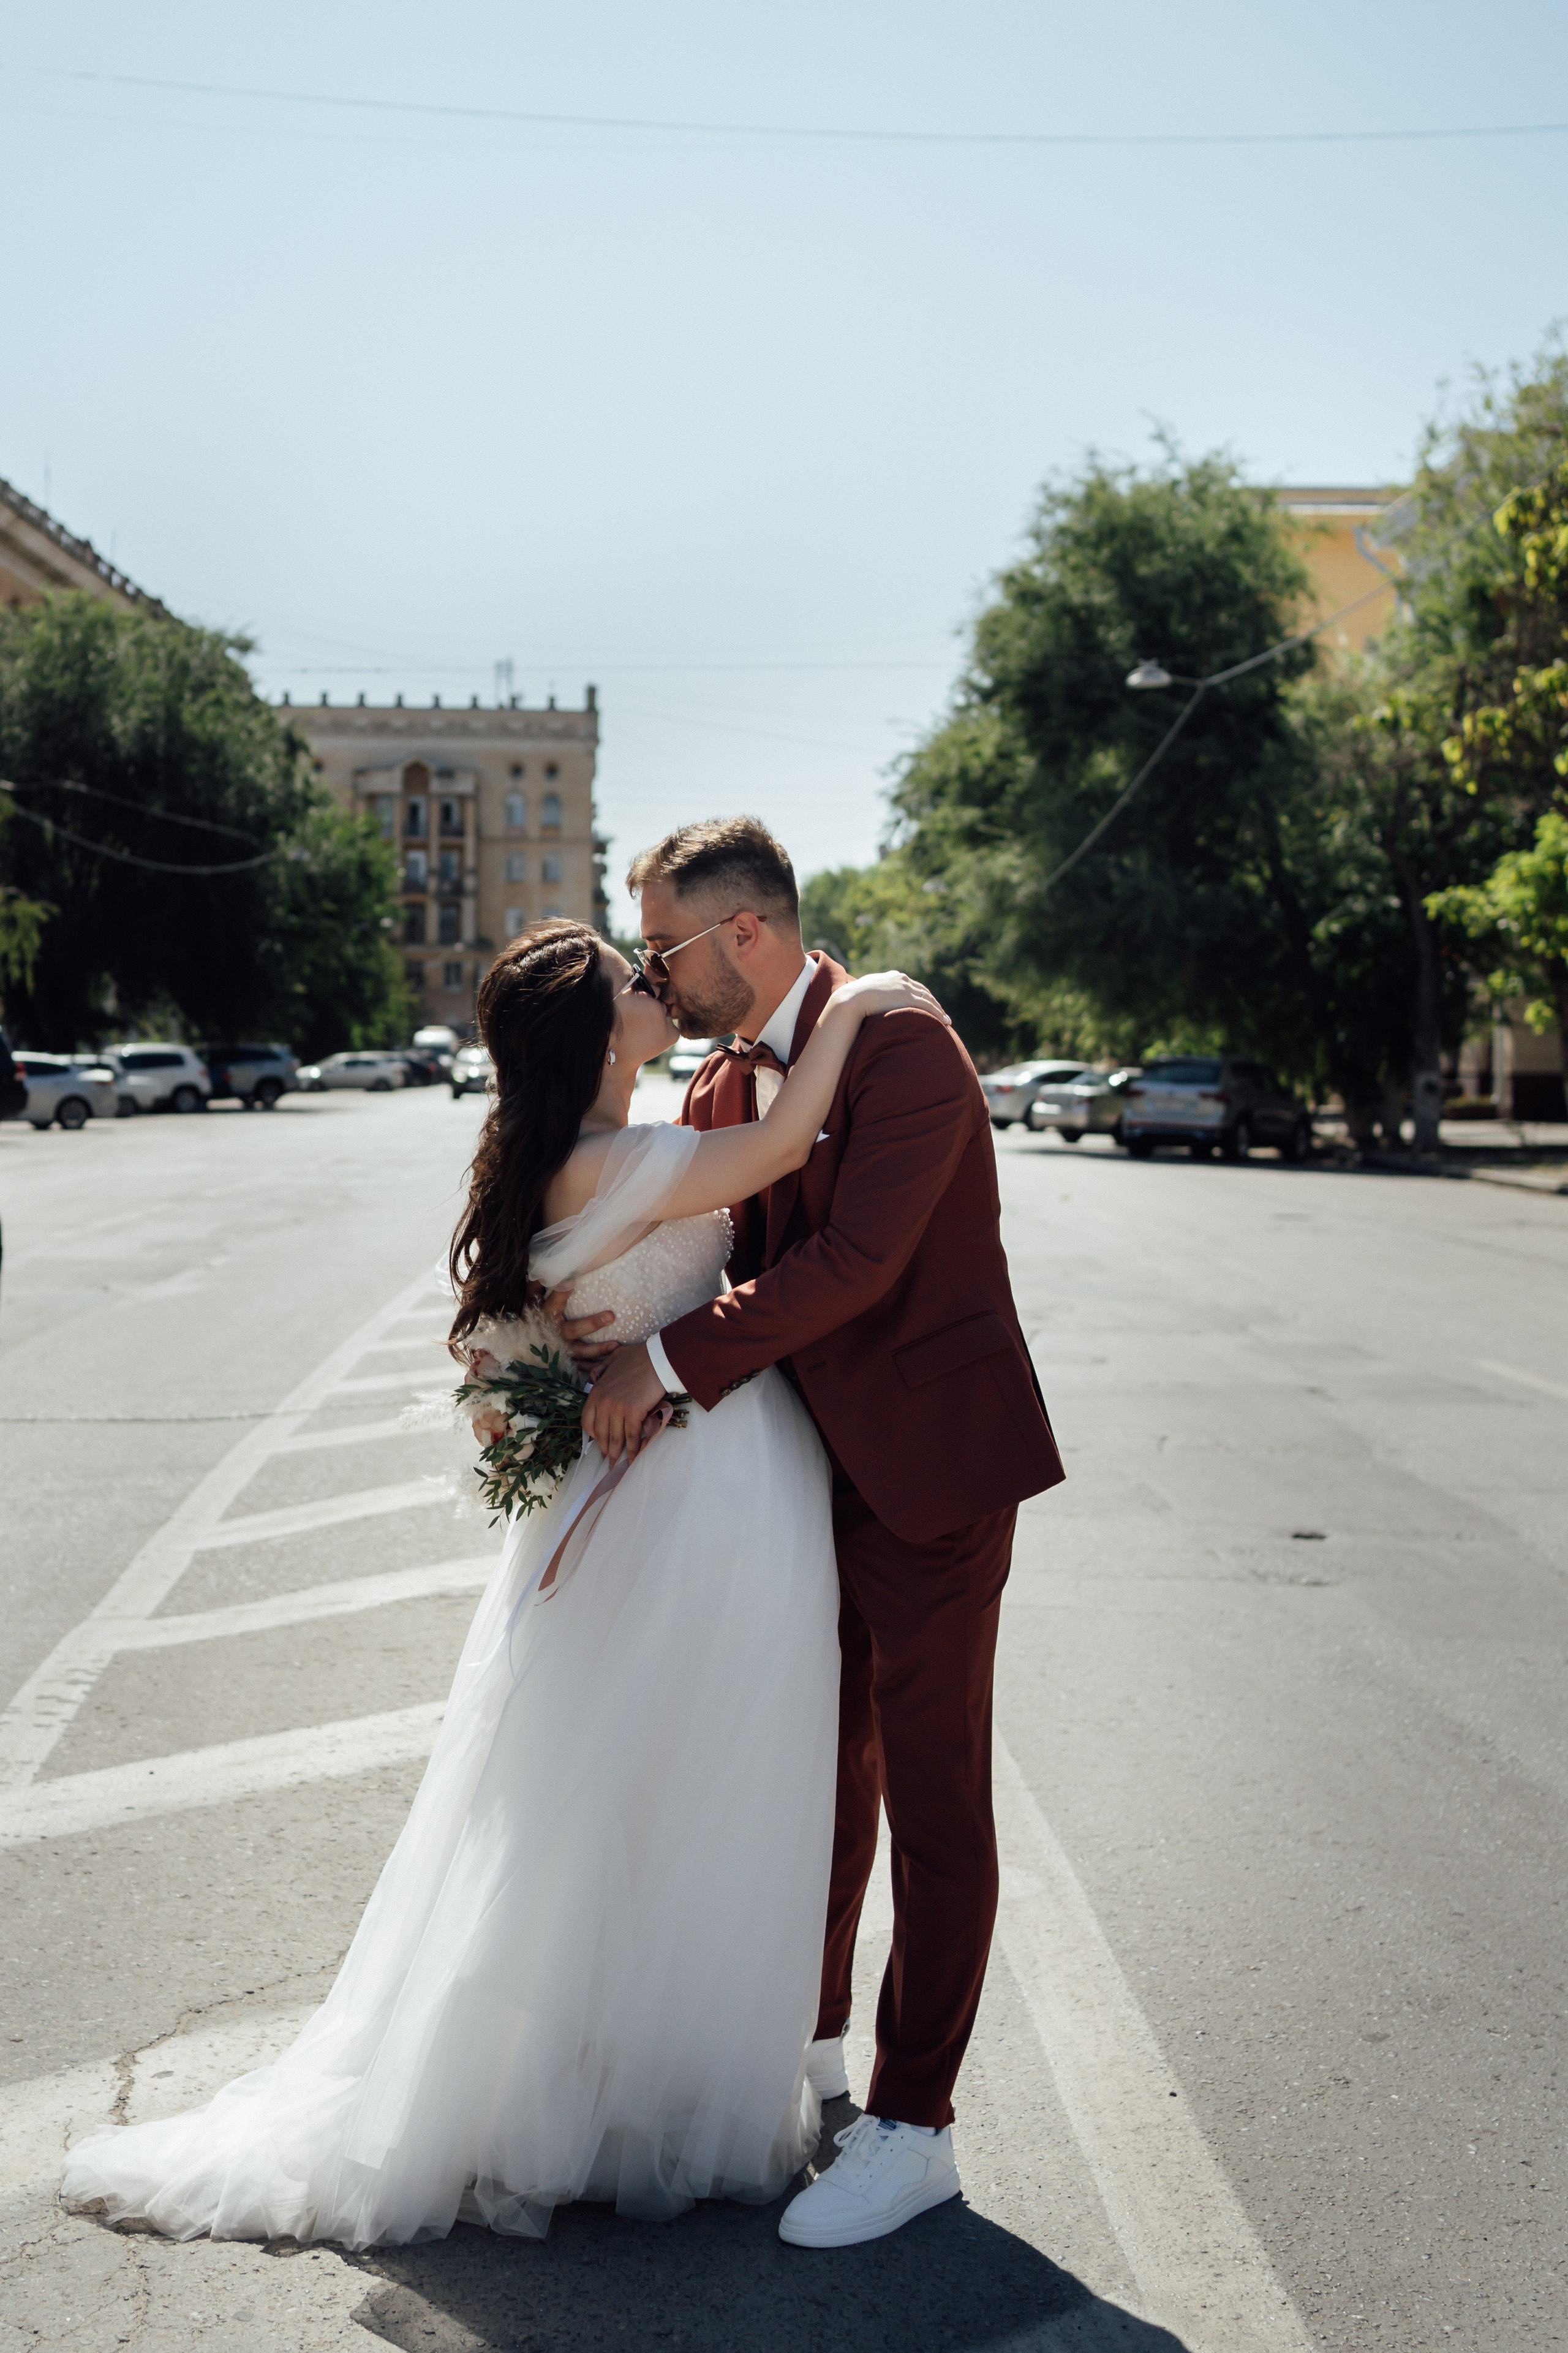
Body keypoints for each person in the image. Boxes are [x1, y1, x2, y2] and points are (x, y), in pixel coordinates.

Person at [59, 921, 940, 2248]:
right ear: (587, 1035)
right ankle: (633, 2093)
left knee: (627, 1792)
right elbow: (770, 1154)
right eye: (626, 980)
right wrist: (863, 1005)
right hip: (691, 1489)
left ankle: (621, 2081)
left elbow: (495, 1355)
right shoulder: (608, 1154)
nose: (653, 986)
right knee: (673, 1784)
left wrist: (561, 1378)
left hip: (656, 1477)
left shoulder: (572, 1154)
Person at [570, 817, 1065, 2251]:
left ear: (745, 934)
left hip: (927, 1471)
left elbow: (852, 1265)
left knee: (931, 1792)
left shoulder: (903, 1044)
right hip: (790, 1483)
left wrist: (656, 1371)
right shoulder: (732, 1075)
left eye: (661, 947)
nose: (654, 980)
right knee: (815, 1779)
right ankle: (818, 2052)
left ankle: (916, 2130)